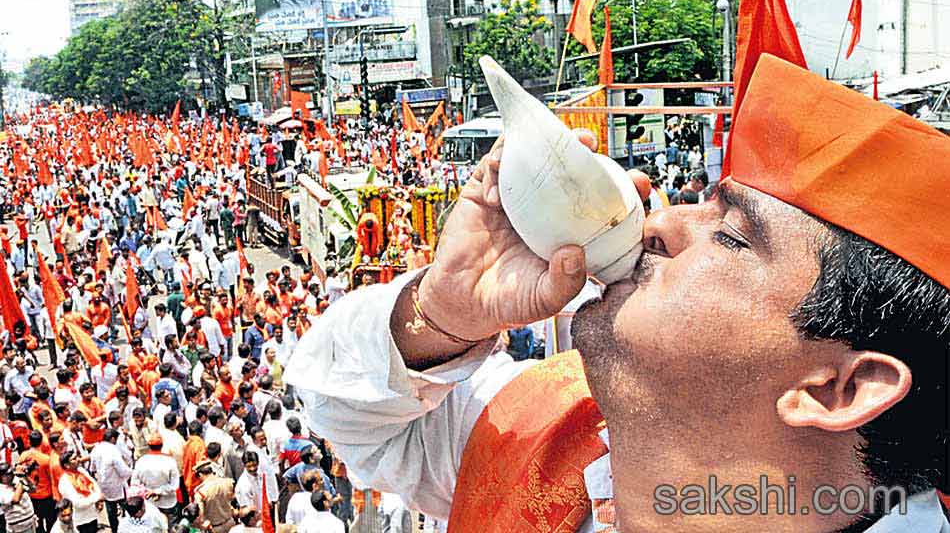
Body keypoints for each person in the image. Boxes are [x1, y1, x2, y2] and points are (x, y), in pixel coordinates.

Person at [285, 52, 950, 533]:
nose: (658, 221)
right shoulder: (551, 424)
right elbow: (347, 417)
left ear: (839, 389)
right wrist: (445, 313)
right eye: (699, 205)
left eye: (731, 237)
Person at [88, 429, 133, 533]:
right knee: (128, 508)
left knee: (110, 510)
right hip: (117, 485)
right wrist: (133, 472)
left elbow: (92, 468)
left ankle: (115, 530)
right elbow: (123, 471)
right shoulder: (113, 450)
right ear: (113, 439)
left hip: (104, 485)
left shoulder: (96, 449)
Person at [131, 434, 180, 518]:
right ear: (162, 446)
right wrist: (158, 491)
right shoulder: (170, 461)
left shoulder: (141, 461)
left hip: (149, 503)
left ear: (149, 446)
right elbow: (174, 485)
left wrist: (149, 491)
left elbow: (134, 483)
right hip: (168, 502)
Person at [56, 451, 102, 533]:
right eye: (74, 459)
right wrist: (96, 498)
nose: (78, 459)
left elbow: (94, 485)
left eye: (77, 457)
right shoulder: (64, 482)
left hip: (92, 515)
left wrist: (99, 500)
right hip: (81, 521)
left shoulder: (81, 471)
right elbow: (77, 503)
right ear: (66, 465)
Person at [19, 431, 55, 533]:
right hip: (47, 496)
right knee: (51, 522)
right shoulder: (46, 459)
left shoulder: (23, 456)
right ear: (41, 442)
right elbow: (50, 478)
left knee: (37, 524)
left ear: (29, 441)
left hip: (32, 496)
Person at [191, 461, 235, 533]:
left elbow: (200, 515)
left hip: (214, 529)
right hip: (230, 523)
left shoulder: (200, 492)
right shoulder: (228, 482)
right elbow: (232, 498)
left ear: (200, 474)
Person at [0, 462, 37, 533]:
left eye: (11, 473)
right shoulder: (1, 490)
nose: (11, 475)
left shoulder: (16, 480)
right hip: (18, 529)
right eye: (7, 474)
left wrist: (26, 476)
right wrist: (21, 479)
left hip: (31, 523)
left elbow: (33, 489)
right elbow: (16, 499)